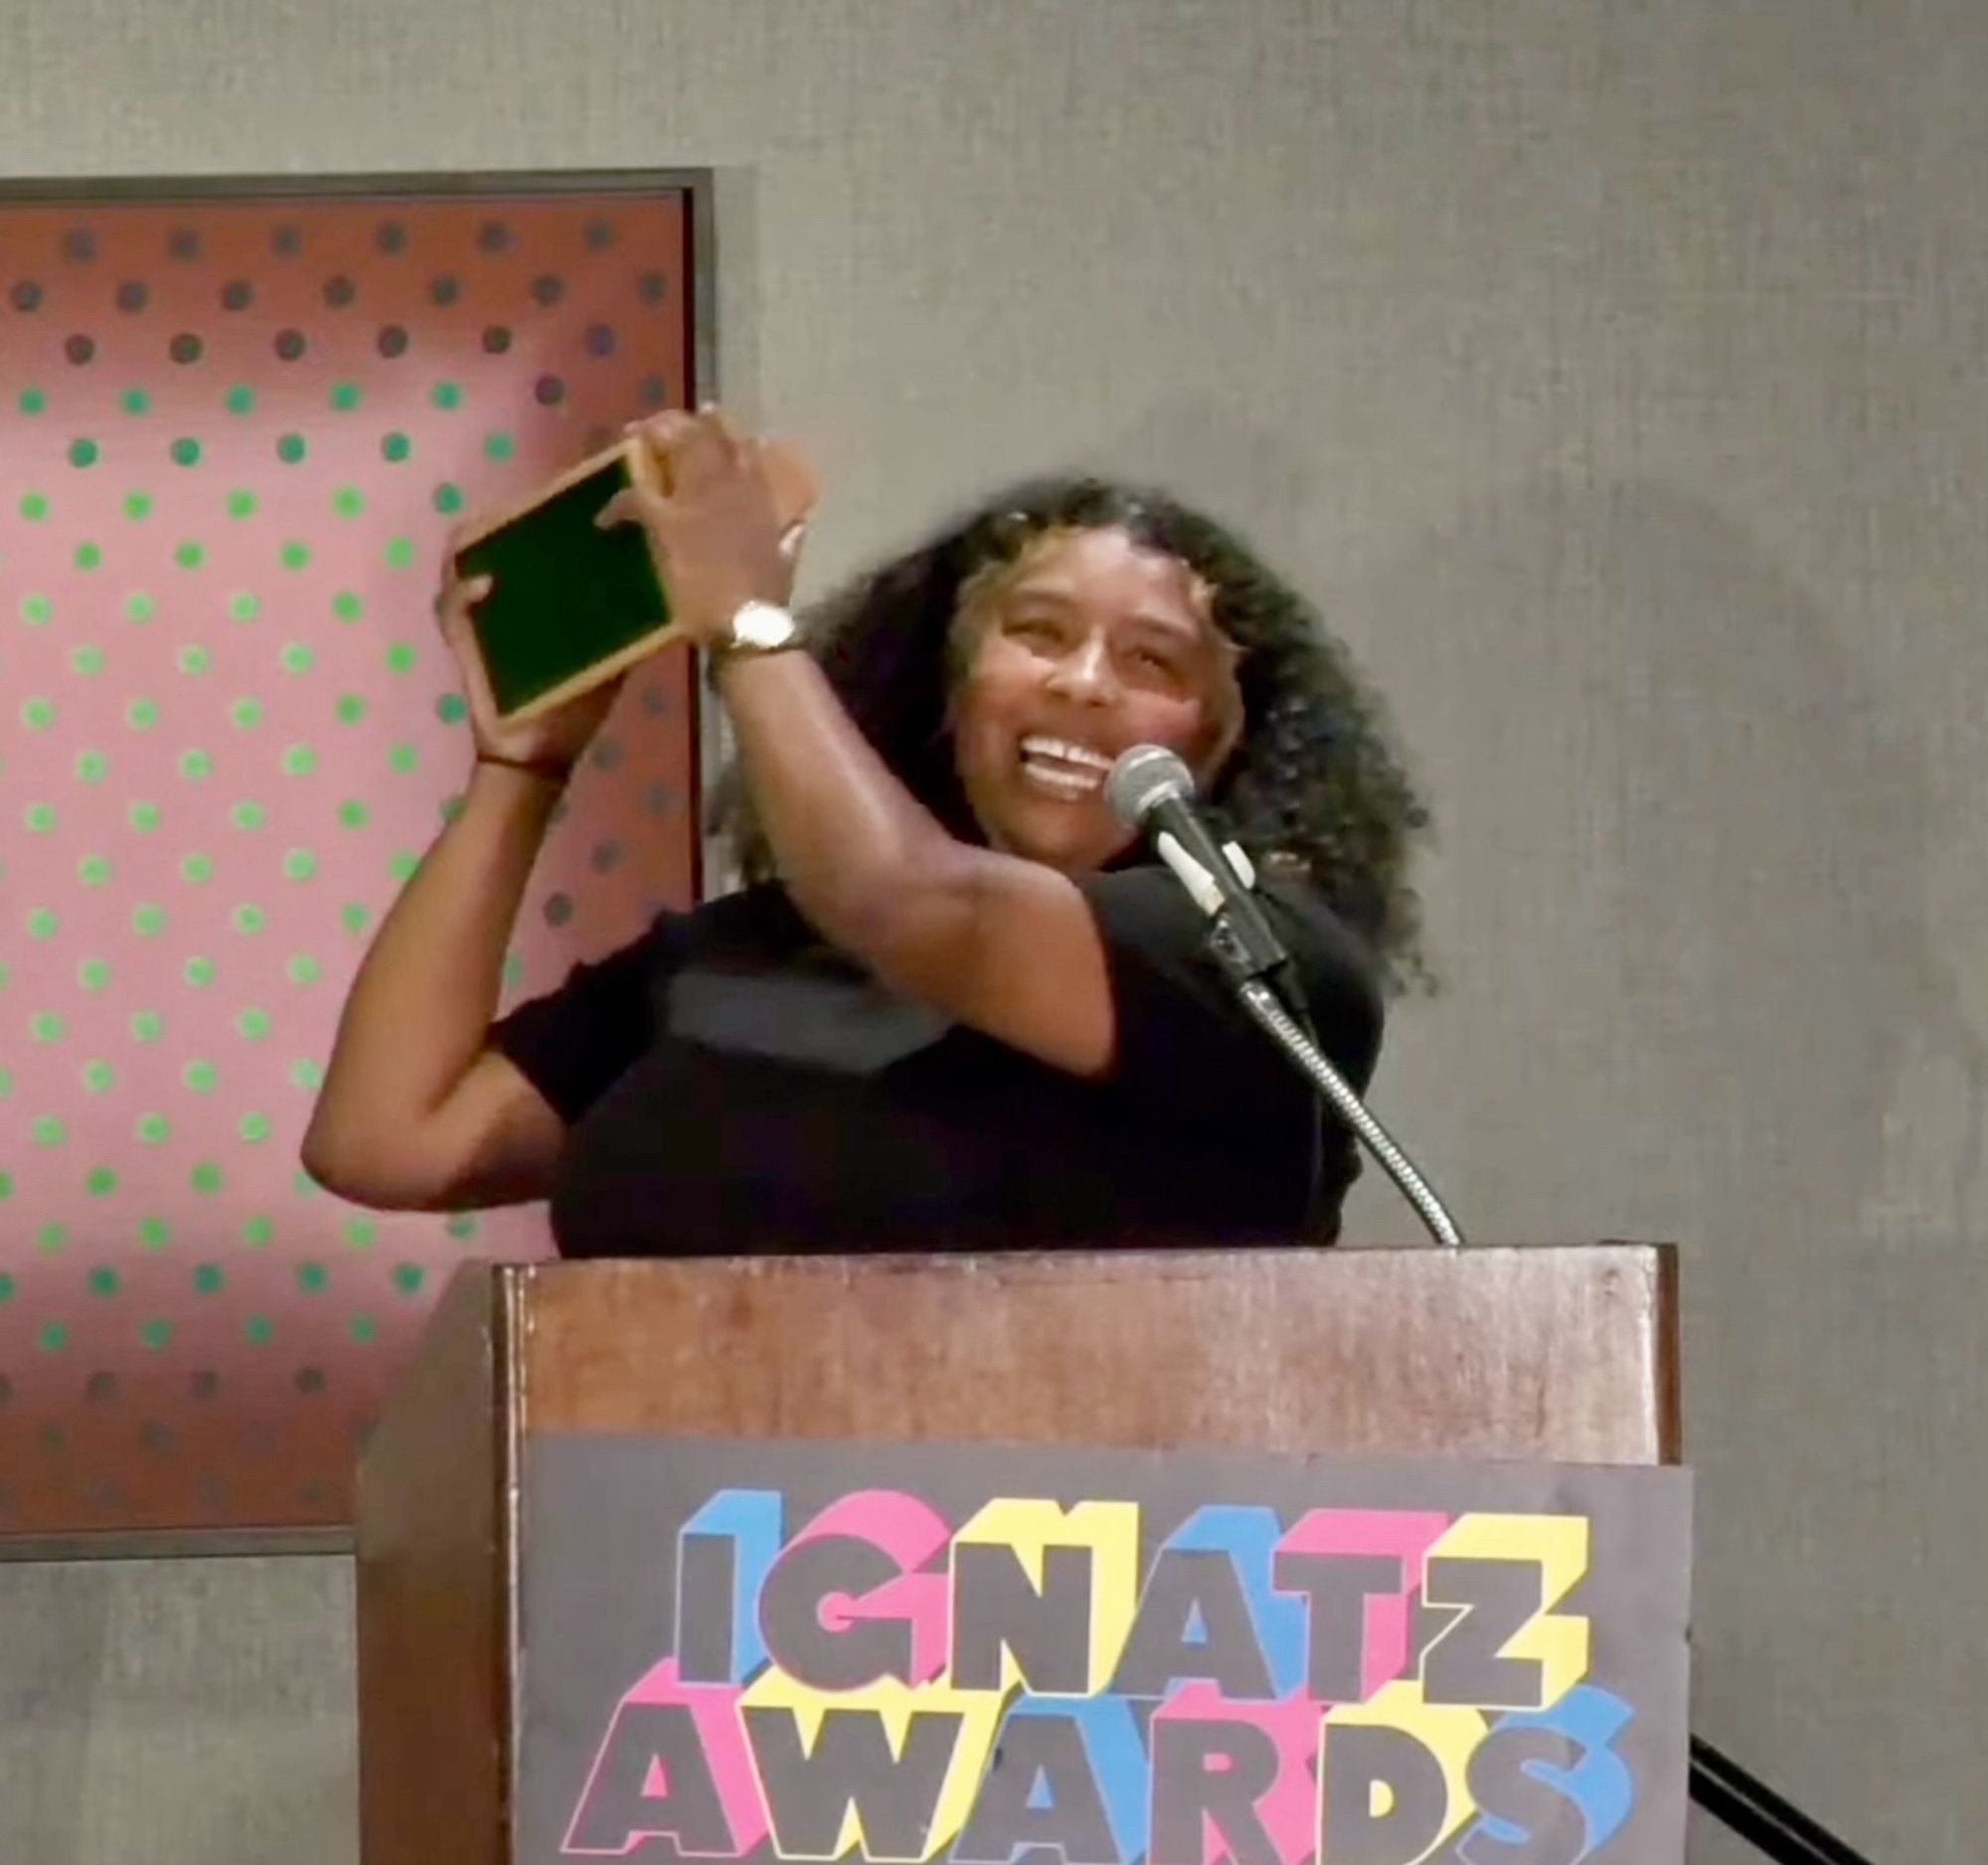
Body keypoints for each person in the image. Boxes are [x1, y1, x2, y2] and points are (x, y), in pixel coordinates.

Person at [301, 411, 1428, 1256]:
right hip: (683, 1541)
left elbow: (913, 903)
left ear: (1226, 733)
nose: (1083, 686)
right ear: (952, 679)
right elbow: (391, 1138)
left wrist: (744, 623)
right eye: (1037, 633)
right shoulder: (741, 956)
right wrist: (523, 763)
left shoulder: (1253, 957)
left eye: (1151, 662)